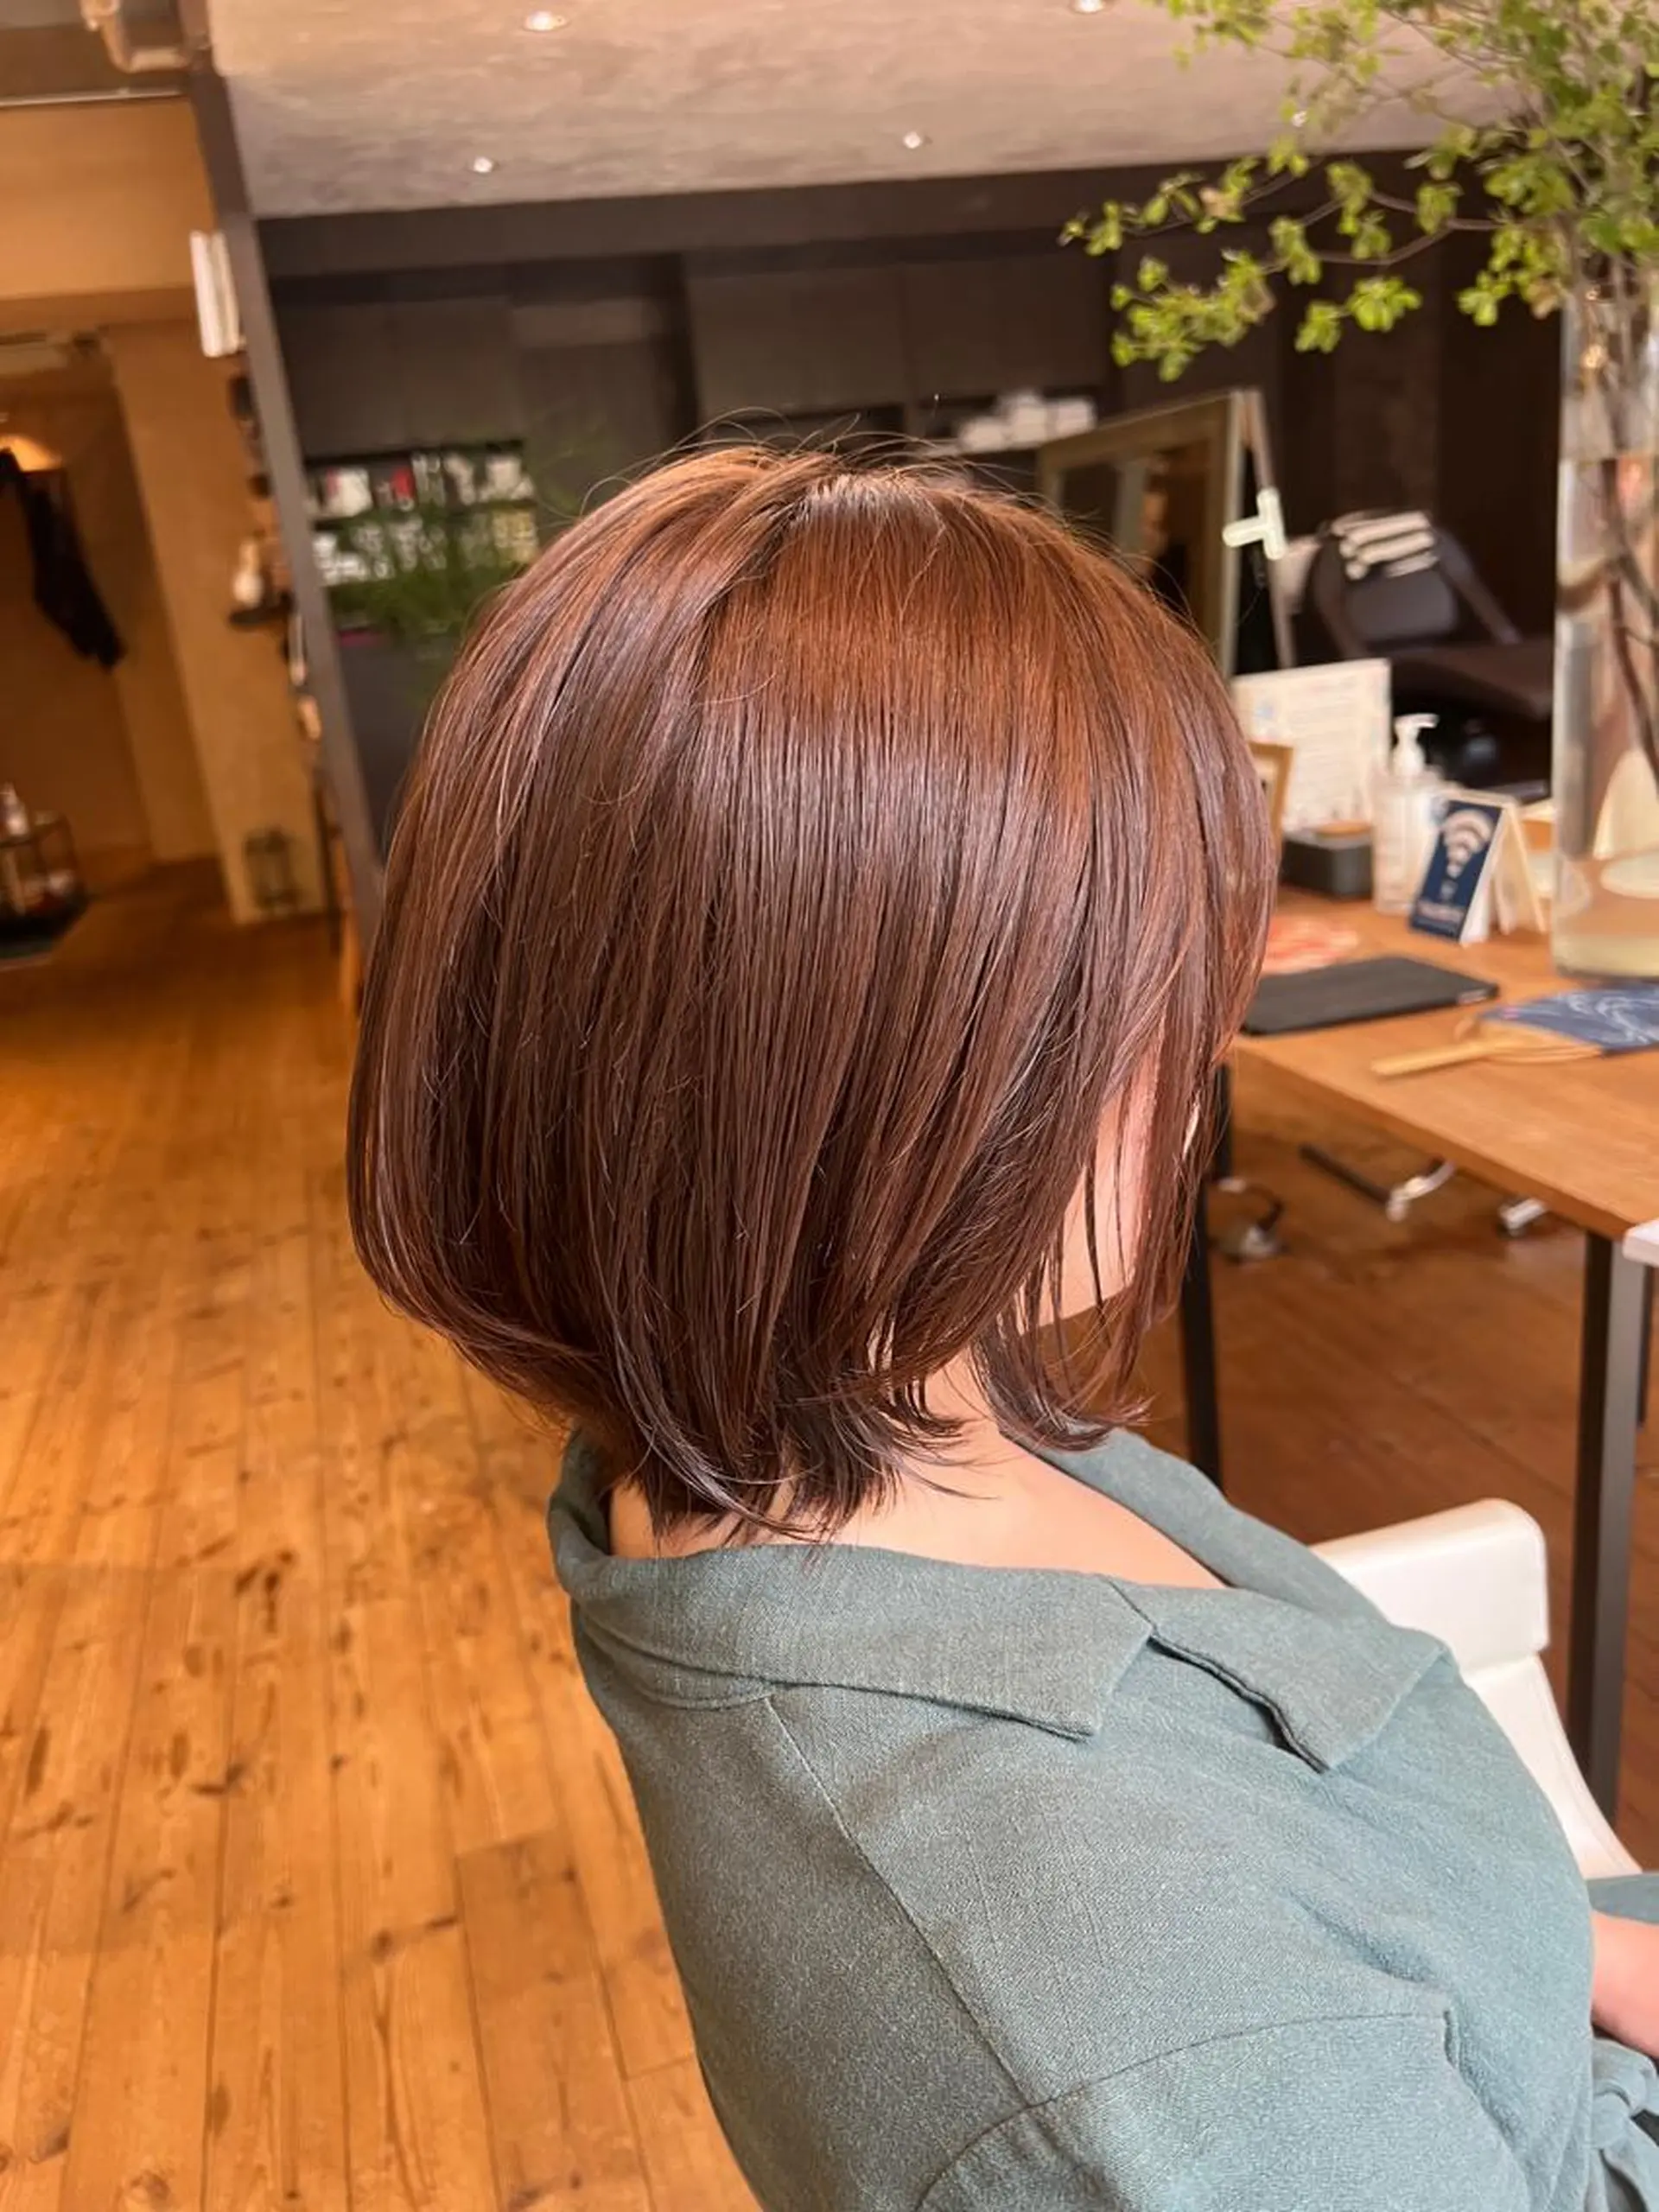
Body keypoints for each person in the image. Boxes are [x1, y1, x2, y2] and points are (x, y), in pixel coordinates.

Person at [348, 447, 1659, 2210]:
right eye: (1121, 981)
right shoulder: (1164, 2041)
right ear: (824, 1080)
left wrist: (1579, 1951)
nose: (1192, 1038)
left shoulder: (870, 1419)